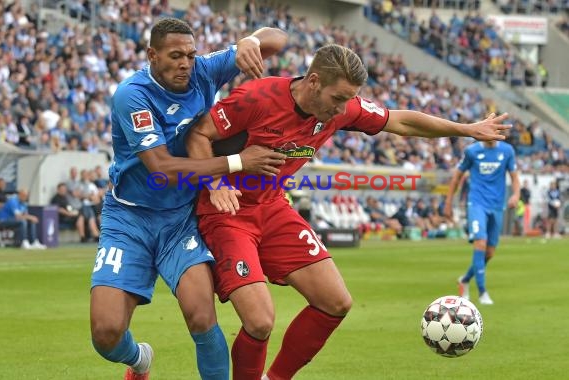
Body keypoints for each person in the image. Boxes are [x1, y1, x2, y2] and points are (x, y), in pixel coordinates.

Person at [185, 43, 511, 380]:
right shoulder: (257, 97)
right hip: (228, 211)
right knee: (260, 320)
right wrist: (215, 184)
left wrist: (466, 129)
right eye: (338, 98)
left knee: (335, 301)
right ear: (313, 82)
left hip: (272, 206)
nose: (343, 109)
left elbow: (401, 122)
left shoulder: (342, 109)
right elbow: (199, 133)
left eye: (349, 99)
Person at [89, 18, 287, 380]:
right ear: (152, 54)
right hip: (128, 219)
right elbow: (161, 165)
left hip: (180, 218)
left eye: (191, 55)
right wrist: (239, 162)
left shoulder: (203, 71)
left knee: (201, 315)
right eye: (175, 55)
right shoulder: (132, 95)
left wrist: (250, 40)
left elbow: (277, 37)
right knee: (105, 334)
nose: (185, 63)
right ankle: (139, 360)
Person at [444, 140, 520, 305]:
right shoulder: (471, 151)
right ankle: (482, 292)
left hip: (497, 205)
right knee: (480, 242)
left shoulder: (507, 151)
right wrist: (448, 202)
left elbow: (514, 177)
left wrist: (515, 195)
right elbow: (457, 176)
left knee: (489, 252)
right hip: (477, 202)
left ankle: (464, 279)